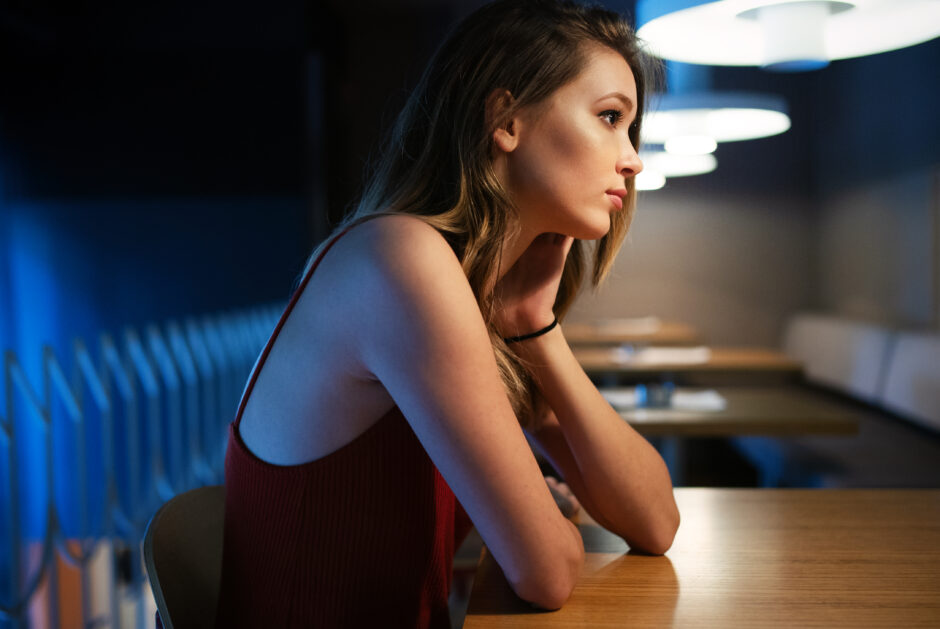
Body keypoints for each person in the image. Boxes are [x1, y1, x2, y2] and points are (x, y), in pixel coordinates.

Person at [214, 0, 679, 626]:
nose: (633, 158)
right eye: (609, 117)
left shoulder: (474, 294)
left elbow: (654, 520)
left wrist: (537, 331)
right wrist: (541, 522)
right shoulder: (401, 259)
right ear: (505, 118)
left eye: (630, 129)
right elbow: (546, 572)